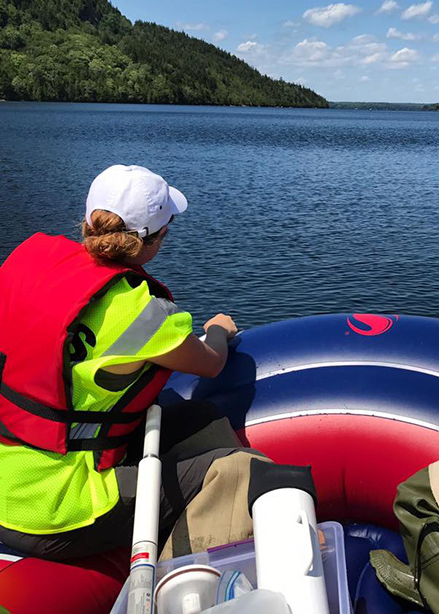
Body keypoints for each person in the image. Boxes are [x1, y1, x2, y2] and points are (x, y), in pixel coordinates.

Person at [0, 164, 267, 562]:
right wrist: (218, 329)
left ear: (90, 220)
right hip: (55, 509)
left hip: (11, 474)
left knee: (205, 420)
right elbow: (210, 363)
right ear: (154, 240)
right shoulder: (139, 311)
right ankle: (179, 586)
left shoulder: (26, 264)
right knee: (243, 470)